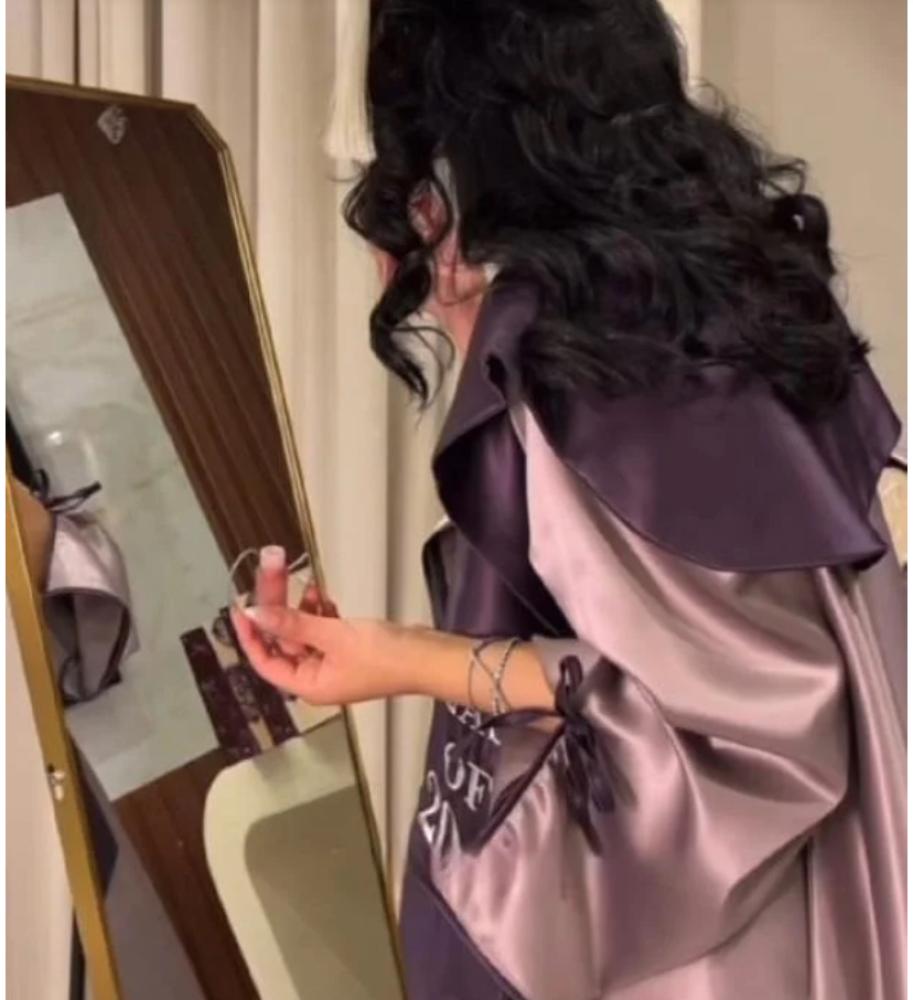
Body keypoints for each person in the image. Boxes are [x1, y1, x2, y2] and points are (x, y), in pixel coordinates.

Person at [231, 2, 906, 997]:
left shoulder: (586, 361)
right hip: (818, 891)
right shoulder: (730, 289)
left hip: (707, 947)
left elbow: (746, 717)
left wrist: (403, 659)